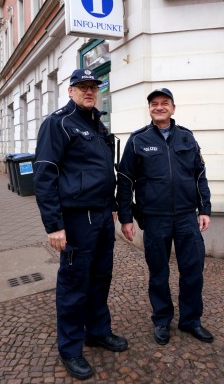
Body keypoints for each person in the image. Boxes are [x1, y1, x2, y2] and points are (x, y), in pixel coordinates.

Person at [33, 68, 128, 380]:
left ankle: (97, 332)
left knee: (100, 279)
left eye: (93, 87)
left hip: (101, 216)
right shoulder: (58, 123)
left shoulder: (97, 126)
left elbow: (102, 172)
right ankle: (70, 348)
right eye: (82, 86)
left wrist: (112, 206)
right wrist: (54, 225)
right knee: (74, 285)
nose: (89, 91)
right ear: (70, 91)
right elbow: (45, 176)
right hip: (76, 220)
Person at [116, 88, 213, 346]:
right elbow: (125, 181)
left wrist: (205, 209)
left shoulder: (187, 138)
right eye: (154, 104)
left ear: (173, 108)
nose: (159, 107)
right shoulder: (138, 140)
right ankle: (161, 320)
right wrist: (126, 217)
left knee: (192, 271)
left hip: (185, 217)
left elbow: (200, 175)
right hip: (155, 218)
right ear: (149, 109)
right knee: (158, 272)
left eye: (164, 103)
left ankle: (191, 320)